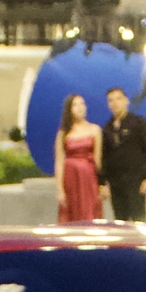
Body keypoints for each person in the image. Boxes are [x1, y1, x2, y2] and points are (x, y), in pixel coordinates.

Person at [100, 85, 146, 222]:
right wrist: (101, 183)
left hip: (136, 180)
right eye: (111, 100)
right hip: (116, 183)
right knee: (120, 221)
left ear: (126, 101)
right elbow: (104, 157)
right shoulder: (107, 129)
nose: (115, 103)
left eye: (118, 99)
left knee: (139, 220)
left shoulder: (139, 123)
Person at [55, 92, 103, 222]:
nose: (80, 107)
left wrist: (102, 183)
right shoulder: (63, 132)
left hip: (89, 179)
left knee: (90, 212)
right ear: (69, 109)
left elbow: (98, 160)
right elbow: (59, 162)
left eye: (82, 104)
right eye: (75, 105)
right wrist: (60, 189)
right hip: (70, 179)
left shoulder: (95, 129)